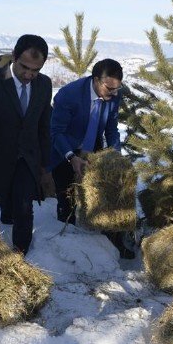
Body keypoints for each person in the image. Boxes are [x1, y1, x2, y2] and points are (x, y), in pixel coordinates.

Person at [0, 34, 52, 255]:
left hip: (27, 156)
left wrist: (45, 166)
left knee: (24, 207)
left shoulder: (44, 85)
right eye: (25, 67)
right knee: (8, 204)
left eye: (36, 70)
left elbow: (44, 127)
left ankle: (19, 255)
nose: (29, 75)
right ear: (13, 57)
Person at [49, 59, 133, 259]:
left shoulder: (114, 95)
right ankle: (68, 251)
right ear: (96, 80)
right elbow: (56, 133)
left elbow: (112, 129)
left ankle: (112, 244)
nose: (113, 93)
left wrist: (115, 156)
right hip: (65, 152)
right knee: (67, 199)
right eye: (109, 88)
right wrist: (71, 157)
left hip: (92, 151)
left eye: (117, 89)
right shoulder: (69, 95)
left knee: (109, 196)